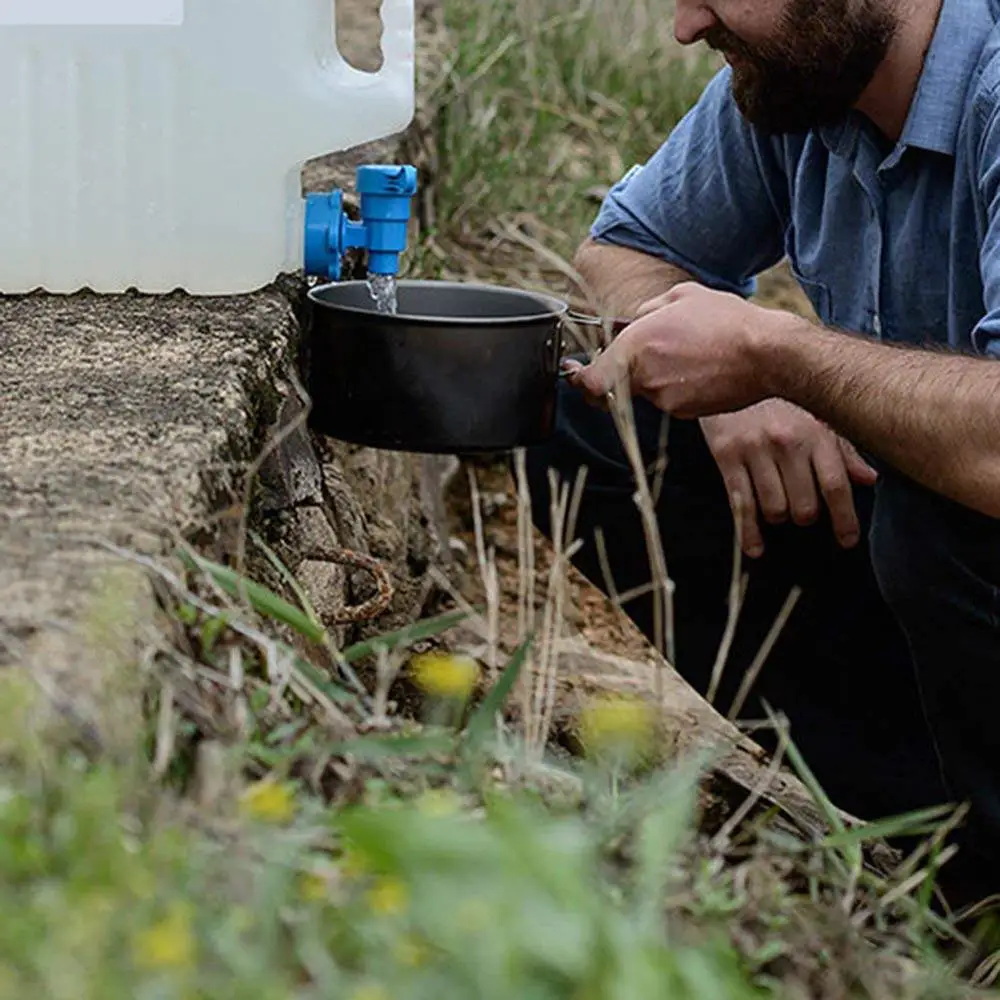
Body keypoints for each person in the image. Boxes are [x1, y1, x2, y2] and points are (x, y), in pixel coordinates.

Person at [525, 0, 1000, 906]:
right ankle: (937, 835)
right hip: (932, 564)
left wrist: (778, 356)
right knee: (584, 426)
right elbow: (623, 249)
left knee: (942, 516)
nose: (686, 23)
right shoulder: (805, 84)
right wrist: (743, 391)